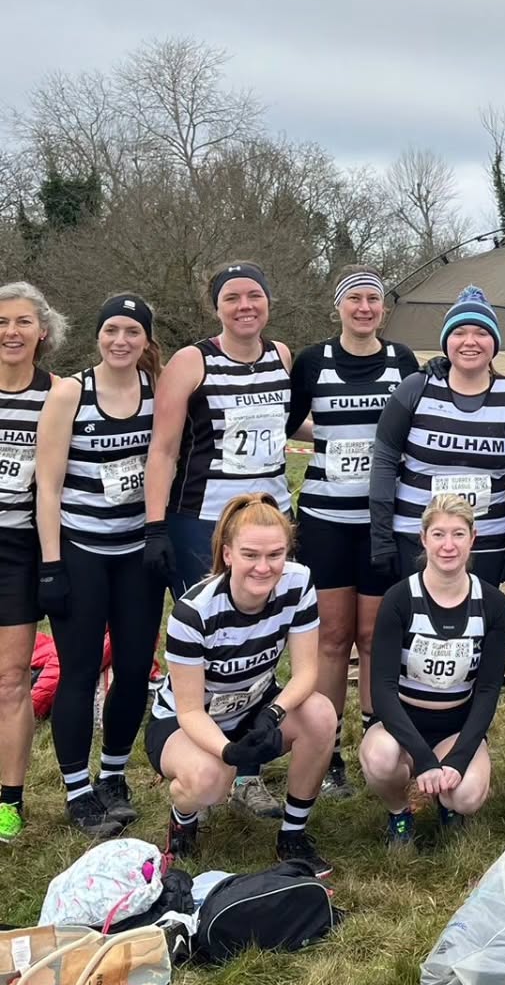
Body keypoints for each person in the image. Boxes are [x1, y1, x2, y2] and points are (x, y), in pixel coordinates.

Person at [144, 261, 294, 820]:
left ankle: (249, 772)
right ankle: (203, 762)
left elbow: (288, 426)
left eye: (254, 295)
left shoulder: (282, 356)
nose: (244, 306)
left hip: (270, 521)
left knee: (264, 643)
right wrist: (155, 526)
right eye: (232, 297)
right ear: (217, 307)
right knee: (212, 646)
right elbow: (163, 448)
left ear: (268, 302)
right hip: (204, 523)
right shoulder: (192, 361)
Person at [145, 493, 336, 875]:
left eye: (275, 555)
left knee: (321, 714)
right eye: (250, 555)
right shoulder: (193, 612)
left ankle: (292, 835)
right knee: (210, 780)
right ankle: (183, 818)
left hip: (254, 707)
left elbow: (305, 673)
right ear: (228, 554)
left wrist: (273, 713)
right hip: (186, 721)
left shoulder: (298, 582)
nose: (264, 567)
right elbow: (189, 711)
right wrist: (230, 753)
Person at [287, 267, 419, 799]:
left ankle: (375, 741)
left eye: (373, 300)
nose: (365, 308)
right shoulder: (312, 361)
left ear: (383, 309)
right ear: (338, 306)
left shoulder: (402, 360)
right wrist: (328, 437)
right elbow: (290, 421)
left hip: (383, 521)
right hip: (325, 519)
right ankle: (329, 750)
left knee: (373, 637)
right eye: (355, 299)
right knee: (332, 639)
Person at [35, 294, 163, 837]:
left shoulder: (156, 391)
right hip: (81, 550)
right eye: (111, 329)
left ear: (146, 340)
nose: (120, 341)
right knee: (80, 670)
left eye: (132, 331)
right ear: (97, 335)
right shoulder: (71, 392)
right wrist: (50, 564)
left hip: (136, 554)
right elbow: (47, 485)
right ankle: (76, 790)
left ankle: (113, 775)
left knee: (133, 668)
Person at [361, 492, 505, 848]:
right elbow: (382, 689)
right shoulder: (399, 598)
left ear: (473, 538)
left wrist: (457, 759)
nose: (448, 545)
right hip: (401, 724)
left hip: (456, 726)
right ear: (424, 538)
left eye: (458, 534)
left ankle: (449, 804)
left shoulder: (493, 603)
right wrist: (424, 759)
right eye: (439, 534)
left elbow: (488, 691)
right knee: (380, 759)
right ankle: (399, 813)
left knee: (467, 795)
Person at [369, 286, 505, 588]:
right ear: (446, 341)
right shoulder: (416, 388)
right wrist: (381, 537)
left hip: (486, 539)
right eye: (459, 332)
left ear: (495, 343)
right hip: (417, 536)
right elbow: (384, 461)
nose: (470, 341)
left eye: (481, 333)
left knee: (479, 617)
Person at [0, 282, 64, 845]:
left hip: (18, 548)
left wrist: (50, 562)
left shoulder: (57, 394)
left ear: (42, 330)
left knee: (10, 678)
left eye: (22, 321)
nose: (10, 332)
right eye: (1, 322)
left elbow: (51, 487)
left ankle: (9, 800)